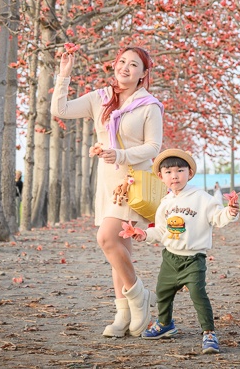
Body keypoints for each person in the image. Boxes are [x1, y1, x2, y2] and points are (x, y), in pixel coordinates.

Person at [51, 46, 164, 337]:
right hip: (106, 182)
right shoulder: (100, 99)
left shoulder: (149, 106)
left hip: (132, 181)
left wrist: (120, 154)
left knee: (107, 238)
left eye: (134, 65)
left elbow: (153, 147)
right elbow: (60, 110)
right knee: (119, 250)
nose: (125, 68)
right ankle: (123, 314)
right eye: (122, 62)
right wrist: (64, 75)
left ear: (143, 74)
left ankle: (139, 296)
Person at [127, 148, 239, 355]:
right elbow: (161, 230)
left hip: (194, 258)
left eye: (180, 170)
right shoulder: (165, 203)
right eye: (168, 172)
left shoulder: (202, 198)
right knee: (162, 292)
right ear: (161, 177)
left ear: (190, 173)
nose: (175, 176)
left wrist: (230, 212)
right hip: (170, 258)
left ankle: (209, 332)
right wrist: (144, 234)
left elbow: (217, 217)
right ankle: (165, 323)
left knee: (198, 294)